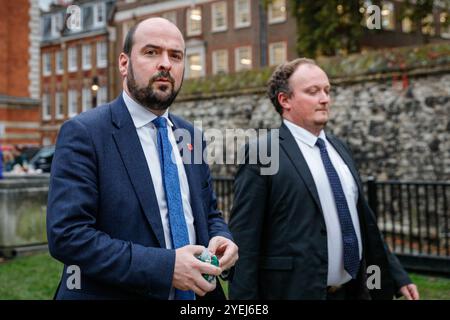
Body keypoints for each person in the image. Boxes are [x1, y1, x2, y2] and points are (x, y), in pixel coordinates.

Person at [47, 17, 238, 300]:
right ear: (124, 64)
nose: (166, 64)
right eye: (151, 52)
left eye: (176, 56)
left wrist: (223, 238)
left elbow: (208, 212)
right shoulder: (85, 133)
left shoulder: (190, 135)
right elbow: (68, 235)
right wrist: (166, 267)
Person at [228, 58, 419, 300]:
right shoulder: (265, 153)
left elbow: (362, 221)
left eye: (327, 90)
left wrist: (397, 275)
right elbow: (245, 238)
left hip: (353, 292)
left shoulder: (340, 149)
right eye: (313, 91)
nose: (324, 98)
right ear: (284, 100)